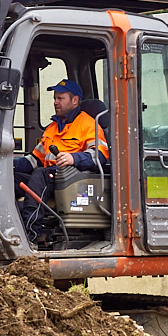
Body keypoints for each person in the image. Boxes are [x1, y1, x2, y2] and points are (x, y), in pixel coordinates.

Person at [14, 78, 108, 242]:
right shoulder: (52, 128)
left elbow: (100, 155)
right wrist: (8, 165)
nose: (55, 102)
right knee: (9, 177)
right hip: (48, 178)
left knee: (40, 175)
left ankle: (30, 237)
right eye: (55, 98)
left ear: (75, 100)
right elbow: (35, 160)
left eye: (60, 98)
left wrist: (73, 158)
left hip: (72, 179)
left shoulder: (89, 125)